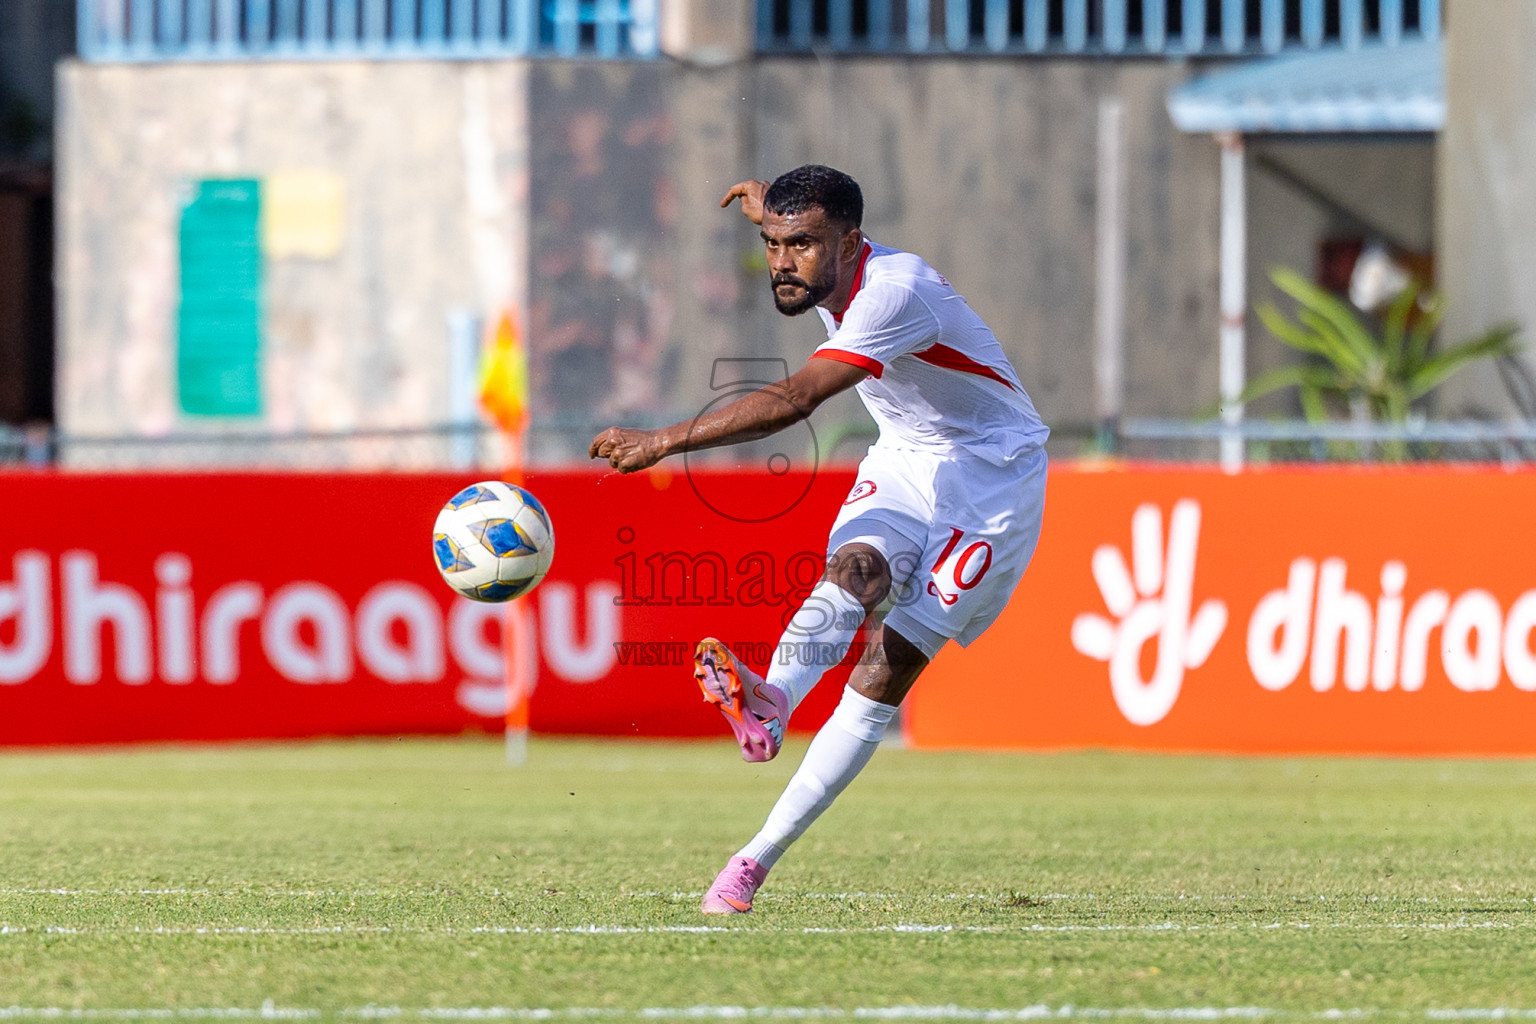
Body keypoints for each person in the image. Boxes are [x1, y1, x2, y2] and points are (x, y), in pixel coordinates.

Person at [589, 165, 1049, 914]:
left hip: (992, 475)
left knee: (884, 665)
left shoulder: (894, 292)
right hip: (905, 454)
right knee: (856, 570)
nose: (782, 262)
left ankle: (751, 861)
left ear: (851, 243)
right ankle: (770, 702)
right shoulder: (818, 259)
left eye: (802, 245)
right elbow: (798, 226)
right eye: (773, 244)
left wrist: (666, 440)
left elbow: (793, 400)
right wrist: (770, 210)